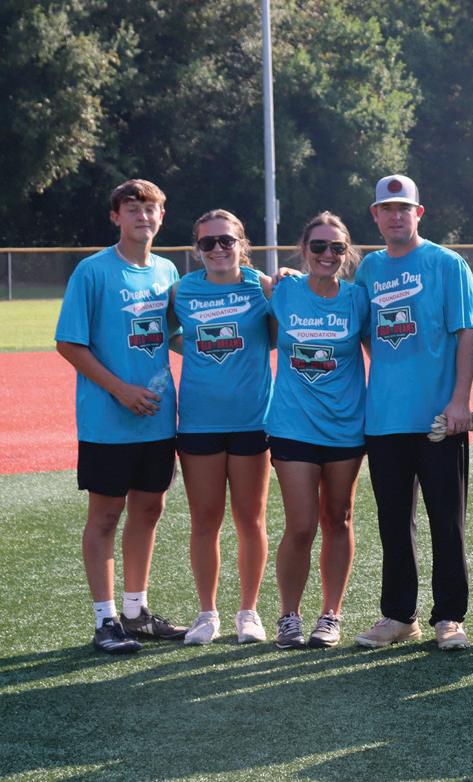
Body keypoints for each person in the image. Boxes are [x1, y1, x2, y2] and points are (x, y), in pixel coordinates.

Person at [55, 179, 188, 654]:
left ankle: (136, 611)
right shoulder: (93, 271)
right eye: (132, 208)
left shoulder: (168, 270)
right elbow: (69, 343)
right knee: (106, 515)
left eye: (150, 208)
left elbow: (172, 335)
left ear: (161, 216)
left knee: (150, 509)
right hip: (108, 419)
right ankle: (105, 619)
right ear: (116, 217)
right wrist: (120, 390)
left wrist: (227, 341)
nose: (142, 216)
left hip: (157, 417)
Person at [354, 175, 473, 650]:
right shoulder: (369, 268)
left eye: (403, 208)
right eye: (387, 209)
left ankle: (449, 617)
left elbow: (467, 332)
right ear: (375, 215)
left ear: (418, 213)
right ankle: (398, 615)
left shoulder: (447, 264)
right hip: (385, 418)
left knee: (447, 521)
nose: (395, 216)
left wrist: (459, 400)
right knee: (393, 522)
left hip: (438, 420)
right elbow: (366, 331)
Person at [169, 210, 274, 645]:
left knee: (250, 520)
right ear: (197, 248)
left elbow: (278, 334)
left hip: (252, 418)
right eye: (207, 242)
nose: (217, 249)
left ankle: (248, 612)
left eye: (226, 240)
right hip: (198, 421)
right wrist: (196, 347)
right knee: (205, 520)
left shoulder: (262, 286)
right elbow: (166, 335)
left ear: (241, 243)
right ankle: (207, 613)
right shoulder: (182, 290)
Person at [267, 213, 369, 649]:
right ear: (304, 249)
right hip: (293, 425)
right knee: (301, 524)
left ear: (347, 254)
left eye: (337, 248)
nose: (328, 254)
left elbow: (381, 354)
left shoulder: (358, 299)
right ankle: (288, 615)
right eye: (319, 246)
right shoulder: (282, 290)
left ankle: (331, 614)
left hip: (346, 427)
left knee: (338, 519)